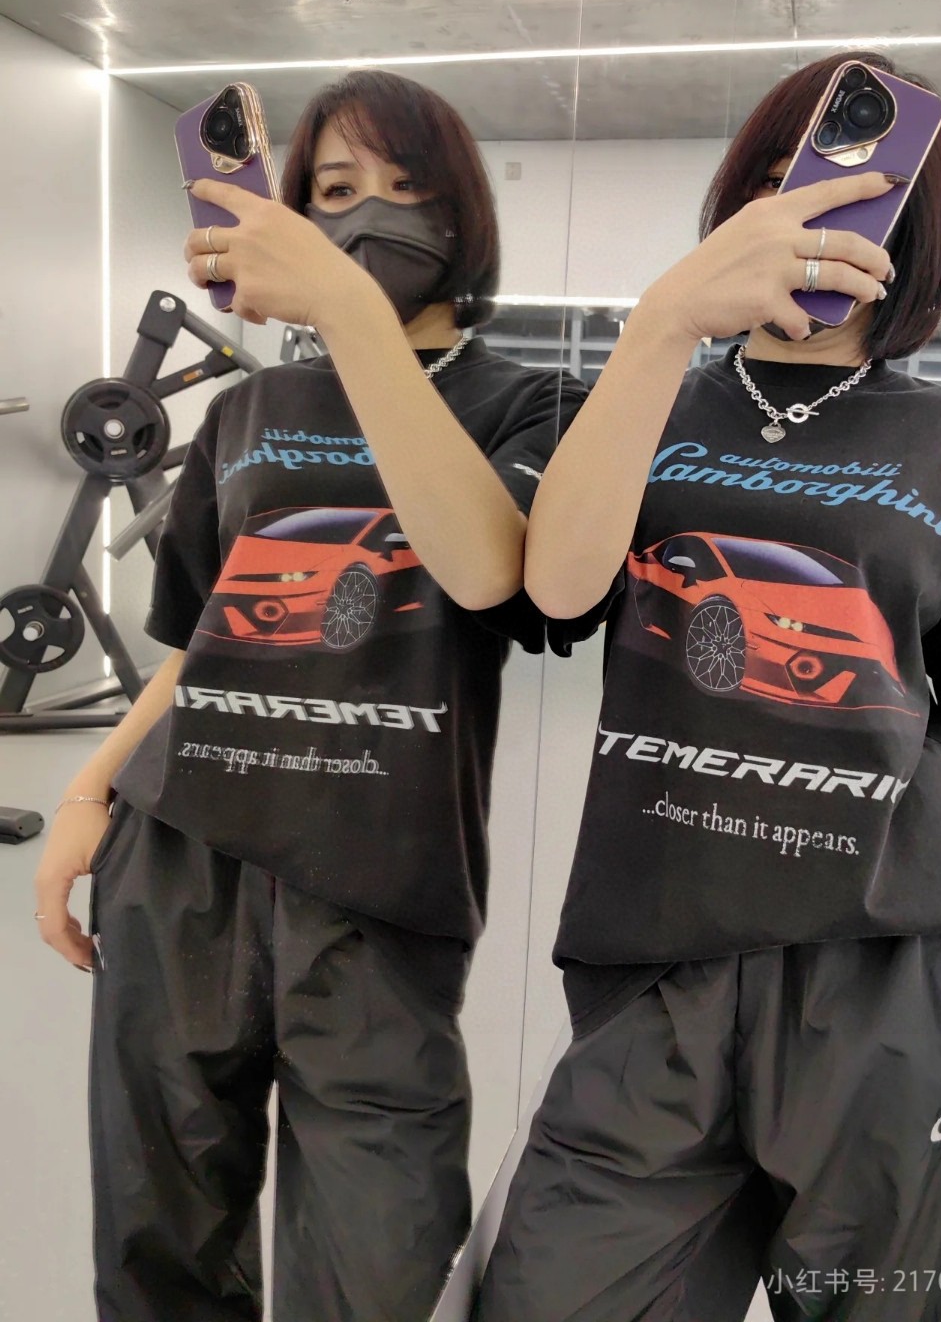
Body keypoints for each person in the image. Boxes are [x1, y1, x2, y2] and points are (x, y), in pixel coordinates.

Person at [475, 53, 941, 1321]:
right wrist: (661, 324)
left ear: (913, 232)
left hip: (897, 971)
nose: (808, 212)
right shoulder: (636, 402)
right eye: (778, 177)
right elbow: (560, 588)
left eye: (865, 189)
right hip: (656, 962)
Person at [34, 70, 579, 1322]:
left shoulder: (535, 404)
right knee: (161, 1238)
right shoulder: (248, 409)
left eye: (405, 186)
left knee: (381, 1262)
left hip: (379, 878)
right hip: (183, 857)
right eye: (335, 190)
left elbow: (493, 570)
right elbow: (199, 640)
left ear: (463, 215)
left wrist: (348, 317)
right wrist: (86, 795)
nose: (369, 213)